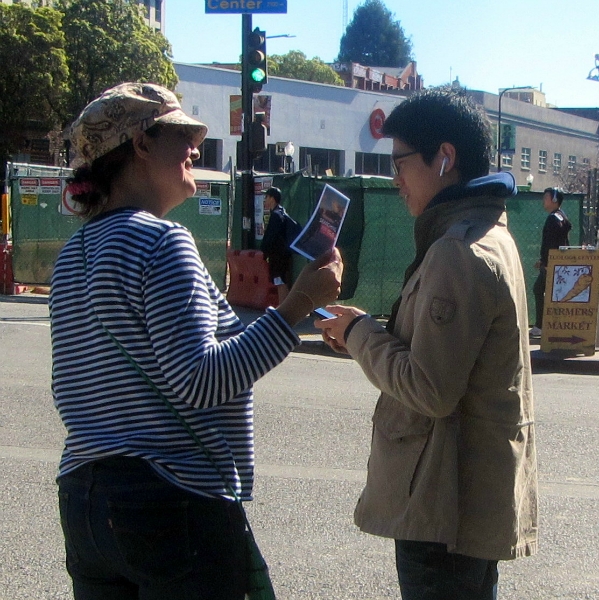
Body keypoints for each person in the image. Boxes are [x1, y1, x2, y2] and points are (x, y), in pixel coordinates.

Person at [49, 82, 343, 600]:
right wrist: (296, 306)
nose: (195, 146)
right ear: (141, 144)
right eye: (182, 134)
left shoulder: (72, 255)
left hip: (83, 500)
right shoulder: (163, 241)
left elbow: (70, 387)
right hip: (172, 502)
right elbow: (201, 381)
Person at [315, 88, 538, 600]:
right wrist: (364, 332)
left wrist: (359, 334)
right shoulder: (488, 233)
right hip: (465, 506)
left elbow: (430, 388)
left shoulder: (458, 252)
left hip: (443, 509)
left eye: (400, 163)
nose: (395, 180)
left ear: (445, 158)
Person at [531, 187, 571, 337]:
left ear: (554, 200)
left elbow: (550, 243)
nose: (544, 200)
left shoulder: (553, 218)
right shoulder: (561, 216)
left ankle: (541, 326)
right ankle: (549, 325)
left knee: (538, 289)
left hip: (552, 264)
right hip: (556, 262)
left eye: (546, 197)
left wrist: (547, 263)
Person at [260, 186, 297, 303]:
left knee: (280, 282)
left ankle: (283, 311)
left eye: (266, 197)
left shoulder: (276, 215)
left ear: (272, 198)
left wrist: (265, 252)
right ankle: (283, 310)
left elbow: (272, 237)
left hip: (279, 256)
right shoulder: (280, 212)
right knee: (280, 281)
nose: (264, 200)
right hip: (282, 255)